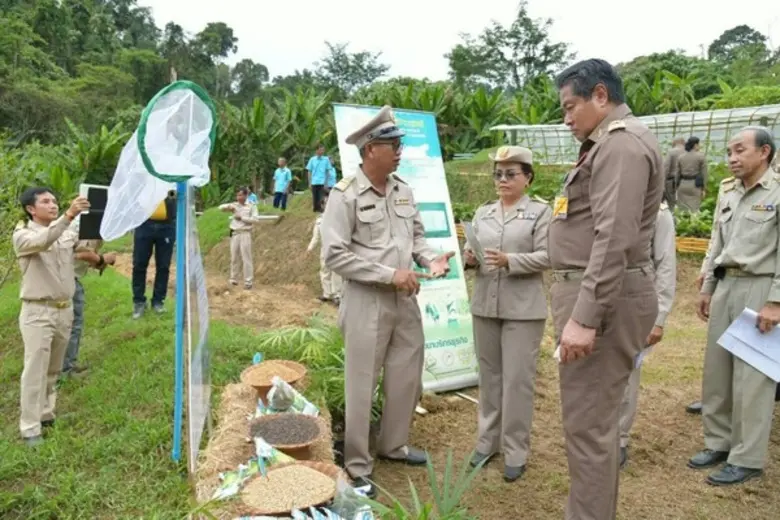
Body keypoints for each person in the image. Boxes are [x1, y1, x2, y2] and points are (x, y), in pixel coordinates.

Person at [548, 59, 663, 520]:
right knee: (590, 427)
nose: (567, 118)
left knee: (589, 430)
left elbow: (614, 237)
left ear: (600, 95)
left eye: (570, 106)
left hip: (603, 303)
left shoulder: (620, 145)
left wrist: (584, 317)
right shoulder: (609, 144)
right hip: (601, 296)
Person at [320, 105, 454, 497]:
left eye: (400, 143)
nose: (399, 150)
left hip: (405, 300)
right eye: (391, 144)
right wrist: (388, 275)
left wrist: (431, 258)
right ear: (368, 149)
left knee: (404, 375)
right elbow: (334, 255)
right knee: (362, 382)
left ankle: (393, 445)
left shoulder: (403, 190)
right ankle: (358, 464)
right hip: (367, 301)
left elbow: (417, 239)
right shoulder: (344, 196)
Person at [688, 126, 779, 486]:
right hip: (727, 284)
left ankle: (748, 457)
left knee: (753, 377)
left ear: (765, 152)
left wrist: (776, 301)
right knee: (718, 371)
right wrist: (708, 285)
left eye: (740, 150)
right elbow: (716, 243)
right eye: (729, 152)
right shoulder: (728, 191)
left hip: (761, 287)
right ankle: (719, 442)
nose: (732, 158)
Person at [463, 146, 551, 482]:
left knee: (517, 381)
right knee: (489, 378)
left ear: (527, 178)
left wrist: (511, 261)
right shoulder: (483, 213)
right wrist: (470, 257)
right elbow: (472, 251)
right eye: (498, 174)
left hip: (522, 310)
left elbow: (549, 255)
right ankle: (487, 443)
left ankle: (515, 450)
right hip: (486, 303)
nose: (502, 180)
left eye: (511, 173)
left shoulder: (540, 213)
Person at [13, 188, 93, 446]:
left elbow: (83, 247)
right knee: (35, 369)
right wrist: (70, 215)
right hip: (38, 311)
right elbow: (45, 239)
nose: (53, 205)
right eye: (45, 202)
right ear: (31, 209)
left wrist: (99, 223)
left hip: (63, 309)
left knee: (53, 368)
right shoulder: (23, 235)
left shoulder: (65, 234)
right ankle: (30, 427)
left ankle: (46, 414)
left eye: (55, 201)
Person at [618, 192, 677, 468]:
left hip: (635, 303)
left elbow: (666, 265)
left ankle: (618, 440)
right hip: (600, 301)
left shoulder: (658, 213)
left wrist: (659, 317)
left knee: (627, 375)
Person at [61, 216, 116, 380]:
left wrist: (99, 262)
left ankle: (65, 366)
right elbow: (82, 253)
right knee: (72, 324)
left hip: (65, 277)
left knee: (68, 324)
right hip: (67, 279)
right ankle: (65, 370)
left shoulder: (88, 220)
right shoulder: (89, 221)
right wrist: (103, 259)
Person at [132, 190, 176, 319]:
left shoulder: (171, 178)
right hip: (144, 224)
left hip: (167, 226)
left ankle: (158, 301)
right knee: (139, 264)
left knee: (163, 266)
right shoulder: (145, 176)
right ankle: (139, 302)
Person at [220, 187, 261, 289]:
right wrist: (229, 207)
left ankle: (248, 281)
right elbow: (220, 208)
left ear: (246, 195)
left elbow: (256, 220)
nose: (239, 197)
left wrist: (242, 218)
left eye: (241, 195)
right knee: (234, 257)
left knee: (246, 257)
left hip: (245, 233)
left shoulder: (251, 206)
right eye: (237, 195)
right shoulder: (235, 205)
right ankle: (233, 279)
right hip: (235, 233)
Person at [306, 192, 342, 305]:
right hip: (324, 248)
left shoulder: (339, 218)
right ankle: (327, 293)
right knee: (324, 270)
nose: (326, 205)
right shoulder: (319, 220)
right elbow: (316, 236)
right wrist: (309, 249)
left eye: (328, 202)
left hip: (337, 247)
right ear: (322, 205)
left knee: (336, 272)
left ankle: (338, 295)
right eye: (324, 203)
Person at [676, 136, 708, 212]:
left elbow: (677, 174)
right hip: (695, 186)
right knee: (694, 210)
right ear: (695, 145)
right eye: (699, 144)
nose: (699, 146)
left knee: (682, 210)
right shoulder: (701, 156)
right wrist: (704, 189)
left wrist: (676, 186)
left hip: (682, 185)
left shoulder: (681, 157)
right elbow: (704, 174)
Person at [306, 144, 330, 212]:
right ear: (317, 150)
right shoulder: (312, 160)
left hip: (322, 181)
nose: (322, 151)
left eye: (323, 150)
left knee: (321, 196)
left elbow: (327, 171)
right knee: (315, 196)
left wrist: (326, 182)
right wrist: (309, 182)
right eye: (321, 150)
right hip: (314, 181)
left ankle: (320, 208)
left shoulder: (326, 159)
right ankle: (315, 208)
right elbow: (309, 171)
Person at [664, 137, 685, 212]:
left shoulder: (671, 152)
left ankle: (673, 220)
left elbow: (666, 168)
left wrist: (662, 182)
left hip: (672, 183)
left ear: (674, 143)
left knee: (671, 205)